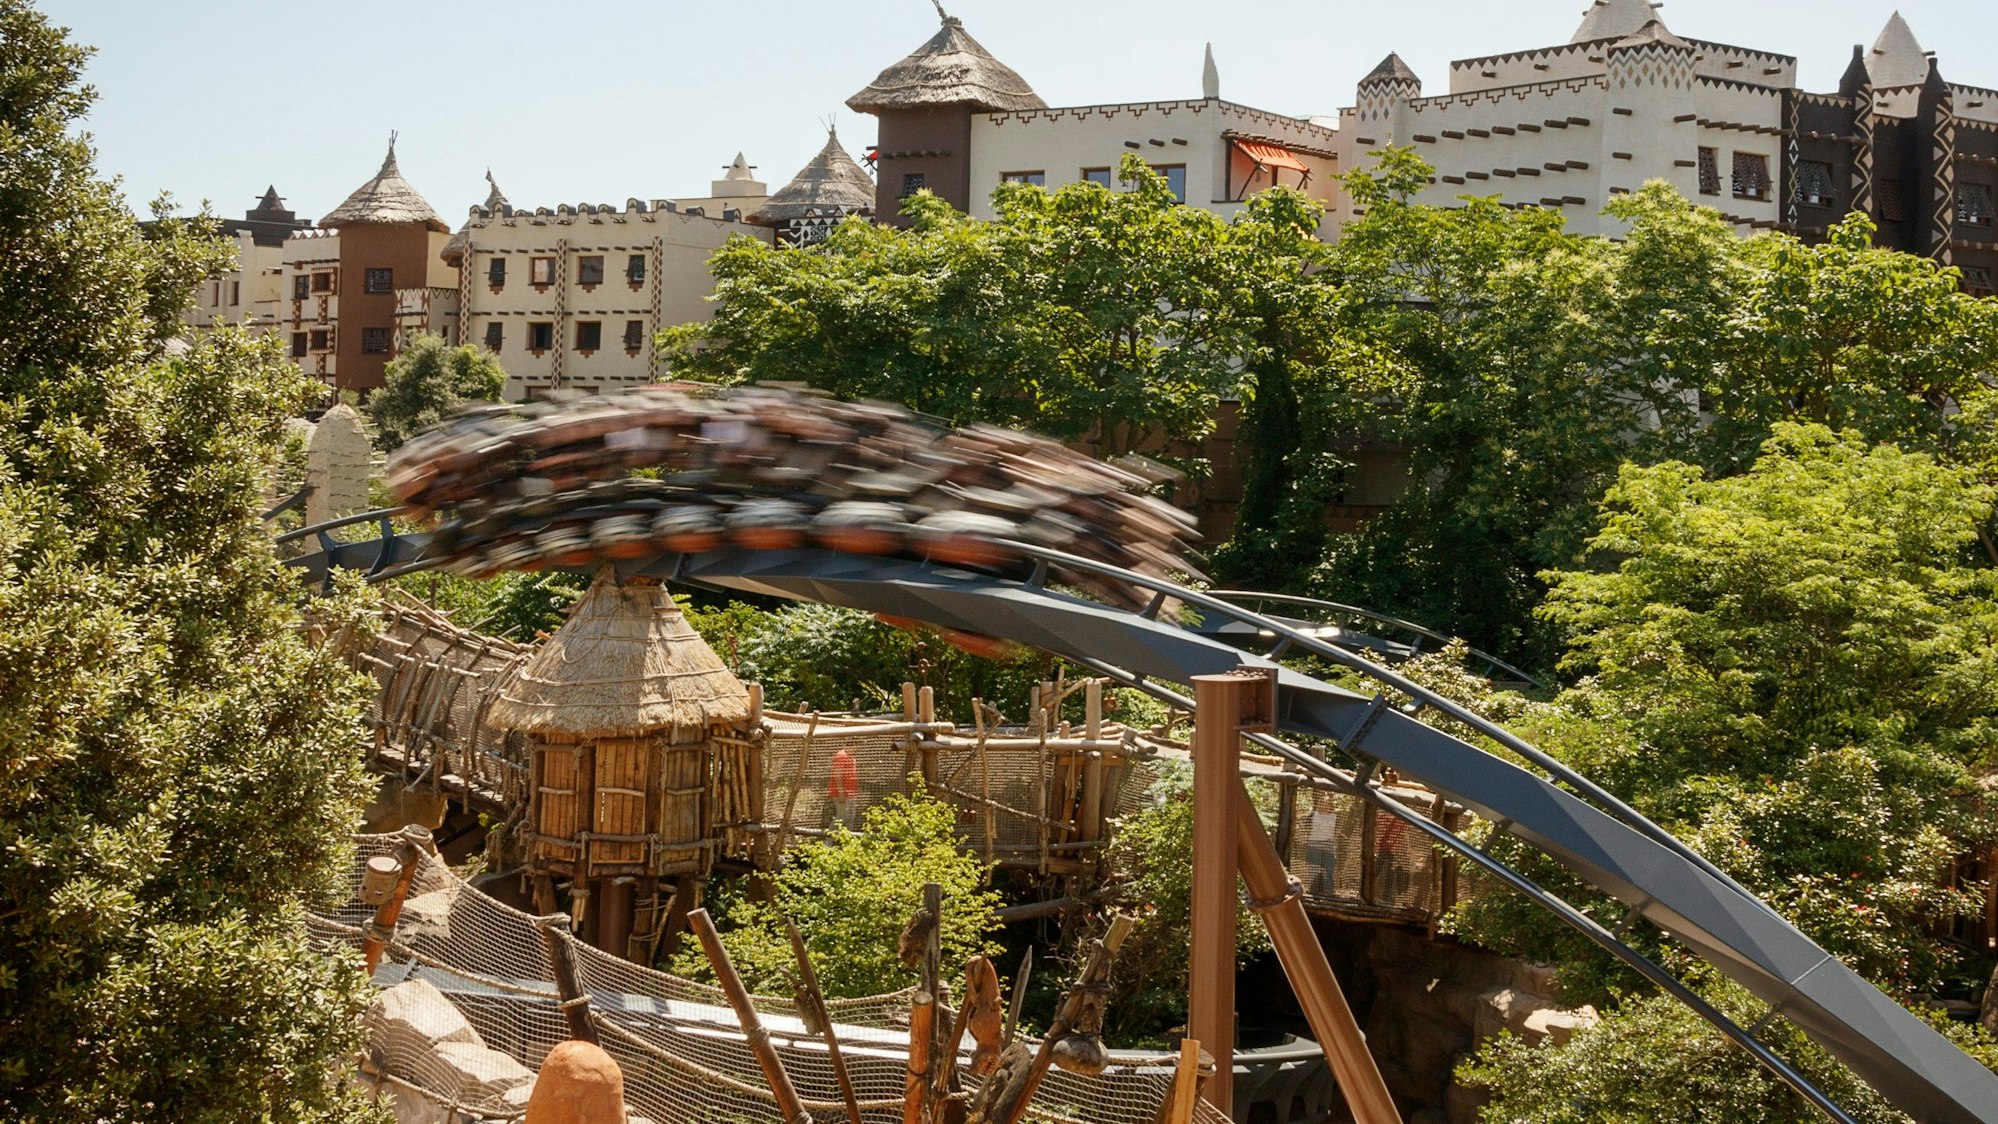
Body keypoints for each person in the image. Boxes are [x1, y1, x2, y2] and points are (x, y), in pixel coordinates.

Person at [1305, 791, 1339, 898]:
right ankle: (1314, 890)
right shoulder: (1313, 815)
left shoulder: (1334, 816)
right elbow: (1304, 825)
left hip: (1328, 845)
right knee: (1315, 869)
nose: (1325, 804)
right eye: (1322, 802)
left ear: (1330, 804)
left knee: (1329, 869)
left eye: (1327, 802)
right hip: (1314, 844)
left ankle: (1328, 891)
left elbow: (1338, 831)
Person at [828, 746, 860, 829]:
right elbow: (838, 775)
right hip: (842, 793)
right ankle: (828, 840)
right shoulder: (841, 755)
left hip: (850, 792)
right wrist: (841, 792)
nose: (859, 748)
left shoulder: (851, 756)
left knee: (850, 817)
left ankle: (848, 839)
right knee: (841, 817)